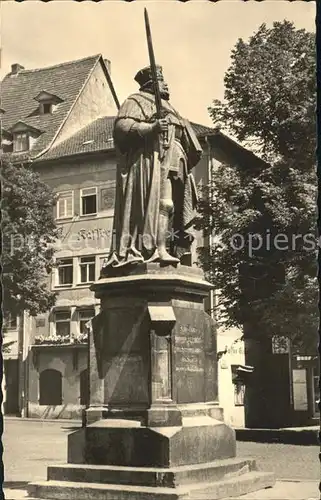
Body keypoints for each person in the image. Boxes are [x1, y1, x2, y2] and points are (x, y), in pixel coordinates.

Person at [102, 65, 202, 272]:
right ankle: (158, 249)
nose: (166, 85)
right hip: (151, 161)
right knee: (162, 204)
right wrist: (152, 128)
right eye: (162, 81)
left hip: (176, 161)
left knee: (172, 207)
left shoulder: (170, 107)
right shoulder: (135, 101)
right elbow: (122, 129)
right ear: (151, 84)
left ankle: (170, 248)